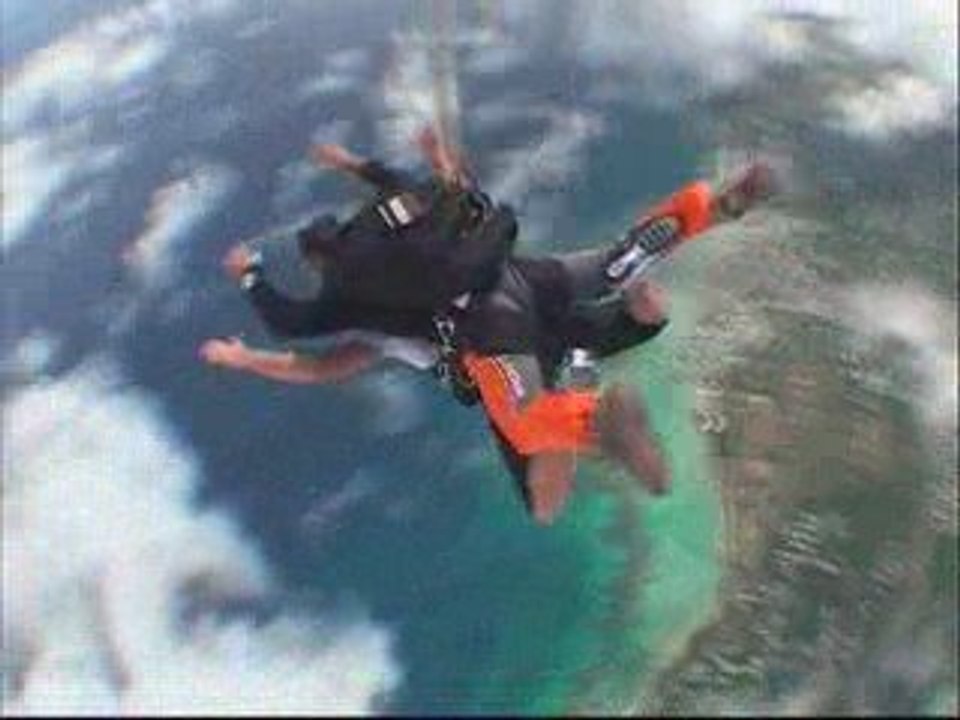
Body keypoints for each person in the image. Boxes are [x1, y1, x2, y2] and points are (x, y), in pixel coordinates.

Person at [202, 133, 776, 524]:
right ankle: (708, 208)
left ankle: (592, 411)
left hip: (494, 336)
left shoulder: (364, 309)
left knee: (539, 475)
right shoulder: (410, 231)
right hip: (526, 280)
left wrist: (248, 323)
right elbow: (445, 186)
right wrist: (351, 162)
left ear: (323, 266)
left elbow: (316, 360)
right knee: (614, 263)